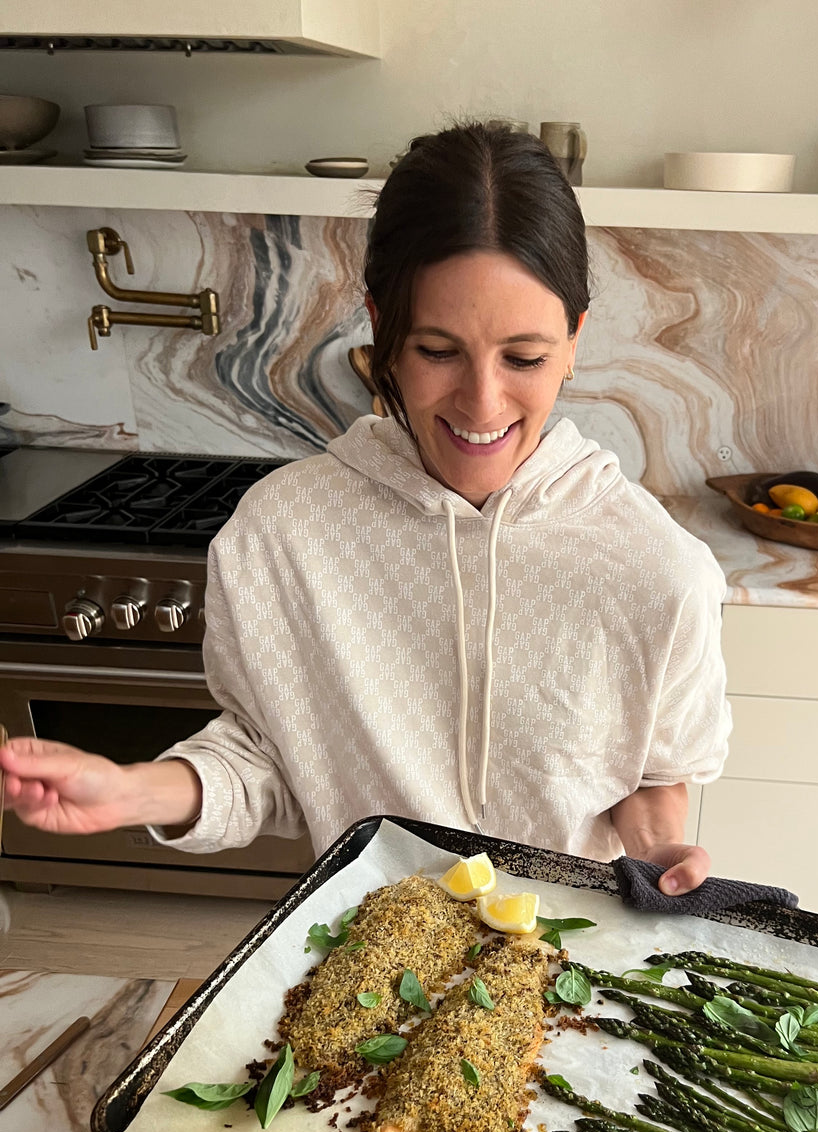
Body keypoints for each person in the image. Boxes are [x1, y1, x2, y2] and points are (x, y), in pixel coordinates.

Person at [0, 121, 730, 895]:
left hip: (555, 963)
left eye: (525, 357)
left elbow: (652, 775)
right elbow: (269, 762)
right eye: (438, 350)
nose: (482, 401)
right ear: (382, 330)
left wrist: (660, 860)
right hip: (363, 955)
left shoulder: (659, 569)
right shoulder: (284, 535)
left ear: (575, 339)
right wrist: (133, 790)